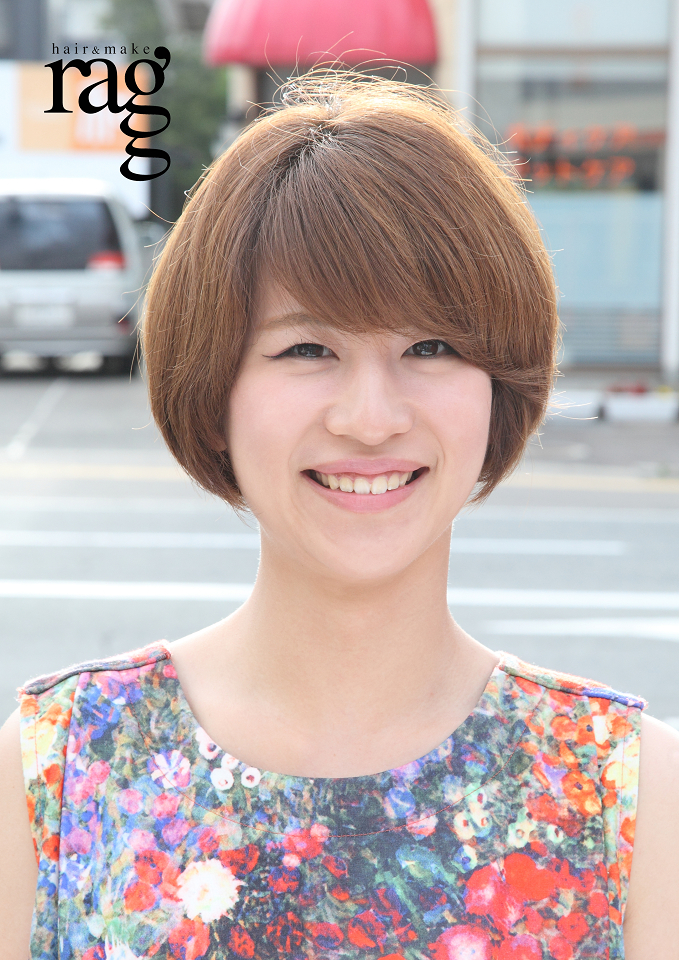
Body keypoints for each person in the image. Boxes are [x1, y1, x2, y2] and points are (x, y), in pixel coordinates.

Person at [1, 73, 677, 960]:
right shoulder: (60, 763)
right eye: (307, 347)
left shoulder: (626, 787)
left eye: (430, 345)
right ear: (214, 389)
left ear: (499, 388)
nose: (370, 418)